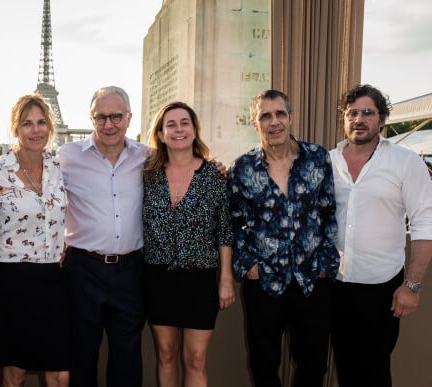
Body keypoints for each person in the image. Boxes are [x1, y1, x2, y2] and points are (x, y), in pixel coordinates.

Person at [228, 89, 339, 387]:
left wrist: (328, 262)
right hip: (264, 282)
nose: (273, 121)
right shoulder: (241, 168)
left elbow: (329, 211)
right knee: (264, 365)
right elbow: (233, 222)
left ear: (291, 117)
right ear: (255, 123)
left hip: (312, 280)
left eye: (280, 114)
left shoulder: (317, 158)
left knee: (314, 364)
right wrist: (247, 264)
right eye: (265, 115)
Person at [330, 84, 432, 387]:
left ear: (382, 120)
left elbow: (425, 224)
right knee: (345, 369)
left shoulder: (405, 162)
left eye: (367, 113)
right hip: (335, 287)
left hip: (382, 289)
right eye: (352, 113)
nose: (359, 119)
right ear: (344, 119)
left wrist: (411, 287)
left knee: (374, 373)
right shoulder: (327, 161)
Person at [58, 86, 146, 387]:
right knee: (82, 355)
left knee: (128, 356)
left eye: (116, 116)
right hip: (83, 269)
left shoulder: (146, 157)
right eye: (101, 117)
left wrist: (215, 167)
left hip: (130, 271)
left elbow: (184, 167)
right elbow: (32, 175)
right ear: (91, 118)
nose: (109, 124)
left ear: (129, 117)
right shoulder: (66, 157)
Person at [143, 101, 235, 387]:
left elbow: (225, 231)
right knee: (166, 354)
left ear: (195, 130)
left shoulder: (214, 176)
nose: (178, 129)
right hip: (158, 277)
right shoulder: (147, 175)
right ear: (160, 134)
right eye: (170, 124)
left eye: (185, 123)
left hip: (200, 278)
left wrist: (226, 279)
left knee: (195, 358)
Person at [0, 94, 69, 387]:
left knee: (60, 371)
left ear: (50, 127)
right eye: (27, 123)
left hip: (55, 280)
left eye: (42, 122)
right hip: (12, 281)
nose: (35, 130)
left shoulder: (61, 169)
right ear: (15, 129)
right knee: (14, 372)